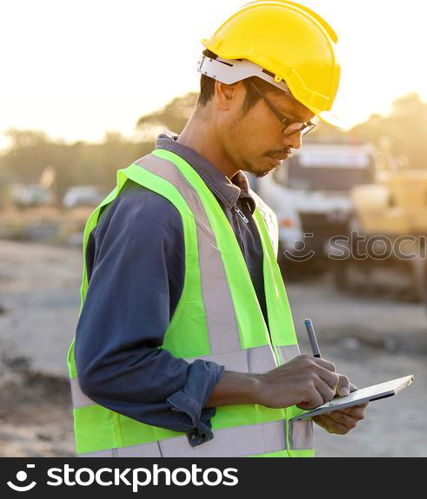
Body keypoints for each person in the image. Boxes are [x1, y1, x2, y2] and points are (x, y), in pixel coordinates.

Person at [67, 1, 365, 457]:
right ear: (226, 90)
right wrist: (263, 386)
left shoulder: (253, 213)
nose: (297, 141)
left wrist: (303, 396)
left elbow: (240, 363)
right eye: (288, 118)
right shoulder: (152, 209)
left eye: (308, 124)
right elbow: (111, 367)